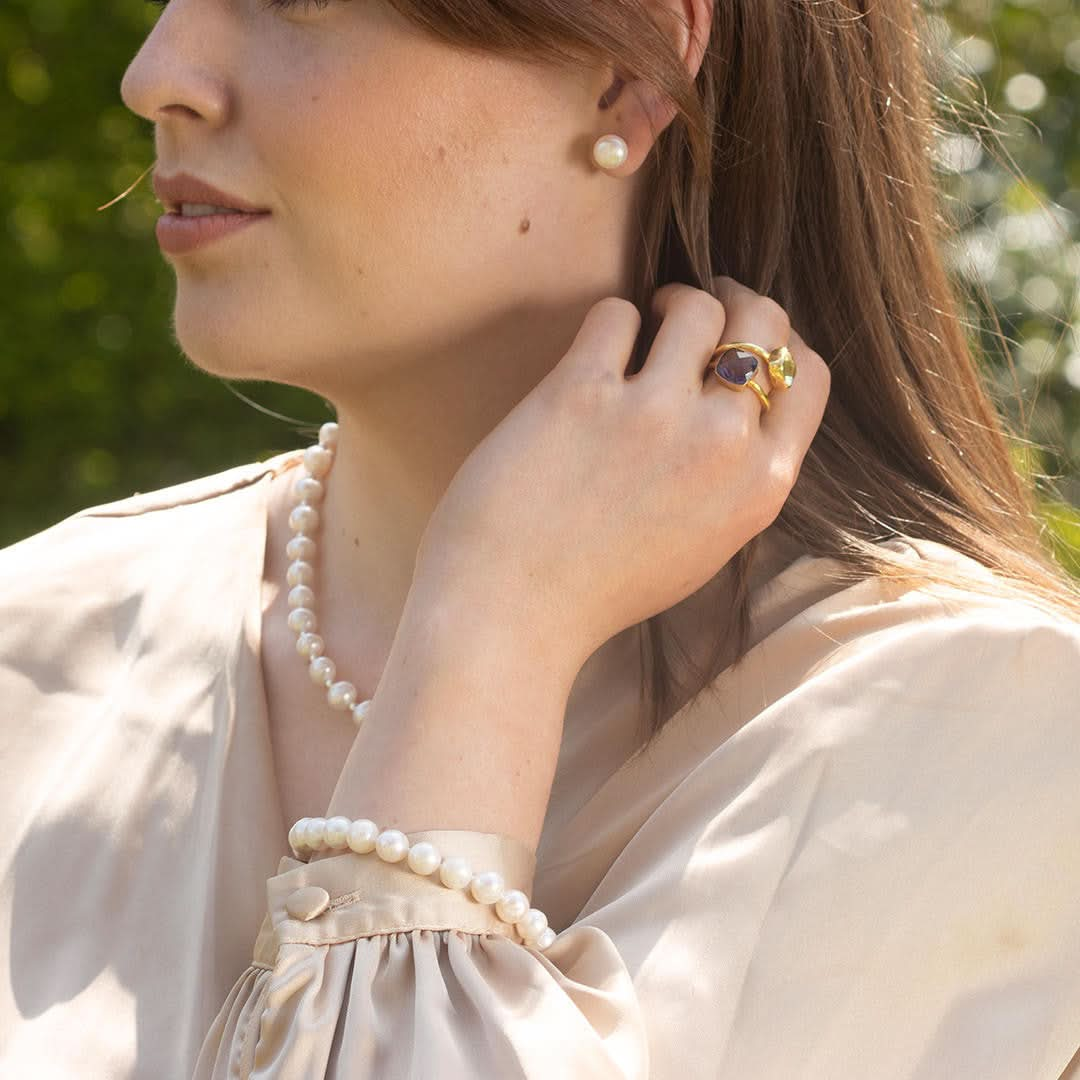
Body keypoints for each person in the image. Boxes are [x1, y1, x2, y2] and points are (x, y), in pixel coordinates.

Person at [2, 0, 1079, 1076]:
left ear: (629, 72)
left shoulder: (984, 727)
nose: (159, 74)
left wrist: (491, 627)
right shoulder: (33, 643)